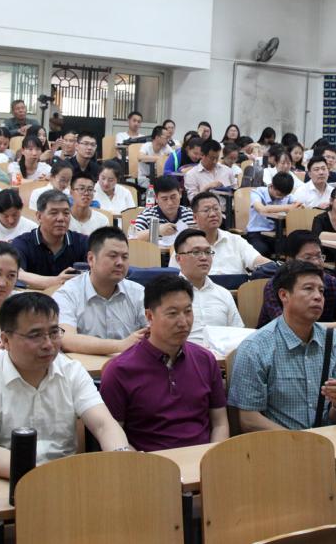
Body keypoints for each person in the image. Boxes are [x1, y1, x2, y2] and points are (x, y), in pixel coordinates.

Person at [0, 292, 132, 474]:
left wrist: (121, 457)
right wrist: (43, 475)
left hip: (68, 477)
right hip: (8, 477)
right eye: (35, 335)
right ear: (5, 340)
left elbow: (104, 425)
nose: (48, 344)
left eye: (54, 332)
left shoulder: (72, 371)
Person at [99, 275, 229, 451]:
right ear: (149, 316)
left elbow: (220, 423)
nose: (183, 322)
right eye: (172, 313)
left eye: (188, 311)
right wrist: (146, 466)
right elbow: (114, 438)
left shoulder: (205, 360)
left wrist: (212, 458)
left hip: (204, 460)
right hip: (150, 464)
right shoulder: (119, 370)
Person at [228, 261, 336, 431]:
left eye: (321, 291)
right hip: (279, 444)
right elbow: (249, 420)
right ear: (284, 295)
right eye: (308, 289)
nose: (318, 296)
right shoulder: (255, 347)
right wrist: (300, 441)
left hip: (329, 440)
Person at [53, 226, 146, 355]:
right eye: (113, 256)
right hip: (84, 367)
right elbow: (66, 339)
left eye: (125, 257)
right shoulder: (67, 294)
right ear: (91, 259)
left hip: (129, 366)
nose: (120, 262)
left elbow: (155, 333)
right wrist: (121, 345)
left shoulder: (138, 293)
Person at [258, 231, 336, 333]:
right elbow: (286, 328)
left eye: (319, 256)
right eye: (308, 258)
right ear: (290, 261)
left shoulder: (332, 283)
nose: (316, 262)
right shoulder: (276, 285)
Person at [173, 229, 244, 344]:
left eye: (207, 252)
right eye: (196, 252)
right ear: (178, 258)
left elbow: (238, 333)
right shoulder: (167, 294)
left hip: (221, 353)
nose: (204, 258)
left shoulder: (224, 294)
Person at [12, 189, 89, 290]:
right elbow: (16, 274)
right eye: (54, 213)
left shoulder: (83, 242)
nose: (61, 218)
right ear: (39, 216)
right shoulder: (22, 243)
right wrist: (57, 281)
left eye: (66, 213)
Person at [191, 192, 271, 275]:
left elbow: (257, 260)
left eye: (216, 209)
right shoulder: (187, 245)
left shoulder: (235, 240)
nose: (213, 214)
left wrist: (273, 267)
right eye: (206, 210)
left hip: (237, 283)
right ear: (195, 217)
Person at [130, 175, 196, 248]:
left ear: (180, 193)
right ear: (156, 198)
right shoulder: (146, 215)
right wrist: (157, 230)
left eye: (173, 197)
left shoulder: (191, 215)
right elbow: (132, 238)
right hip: (156, 254)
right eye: (164, 199)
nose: (170, 203)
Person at [246, 172, 301, 257]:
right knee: (262, 250)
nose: (281, 198)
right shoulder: (257, 192)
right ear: (272, 185)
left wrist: (295, 205)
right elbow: (261, 209)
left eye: (284, 196)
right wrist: (288, 208)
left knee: (292, 249)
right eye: (279, 195)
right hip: (256, 232)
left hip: (276, 233)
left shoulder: (286, 194)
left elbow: (299, 205)